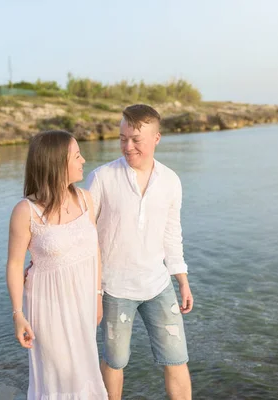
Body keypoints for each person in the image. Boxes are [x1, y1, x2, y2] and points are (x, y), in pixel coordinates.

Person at [85, 104, 194, 400]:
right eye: (122, 139)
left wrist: (181, 280)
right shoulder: (102, 178)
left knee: (177, 359)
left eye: (136, 140)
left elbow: (172, 234)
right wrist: (92, 291)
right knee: (114, 361)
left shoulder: (171, 180)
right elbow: (83, 236)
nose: (128, 147)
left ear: (156, 138)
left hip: (158, 286)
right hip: (114, 288)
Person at [6, 130, 107, 399]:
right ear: (56, 163)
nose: (83, 160)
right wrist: (18, 315)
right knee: (61, 378)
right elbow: (15, 265)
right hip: (48, 309)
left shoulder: (85, 198)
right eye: (76, 156)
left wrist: (97, 296)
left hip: (84, 304)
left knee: (84, 373)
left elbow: (94, 249)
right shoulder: (26, 212)